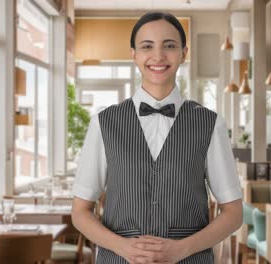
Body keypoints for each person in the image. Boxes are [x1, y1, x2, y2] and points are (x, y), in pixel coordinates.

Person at [71, 12, 243, 264]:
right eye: (147, 46)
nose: (158, 56)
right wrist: (123, 247)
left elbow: (233, 213)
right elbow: (80, 212)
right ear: (134, 55)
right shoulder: (103, 123)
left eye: (170, 46)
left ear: (184, 53)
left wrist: (182, 249)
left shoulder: (210, 123)